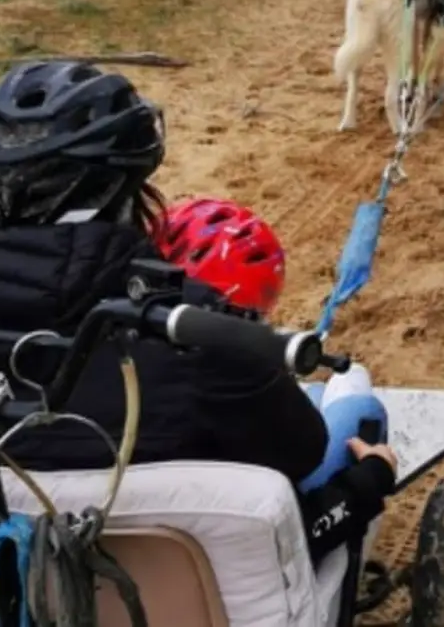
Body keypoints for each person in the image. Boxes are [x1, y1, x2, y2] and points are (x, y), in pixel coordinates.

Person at [0, 60, 396, 564]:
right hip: (193, 585)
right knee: (360, 408)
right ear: (123, 192)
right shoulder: (200, 335)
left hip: (0, 572)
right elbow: (301, 455)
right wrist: (367, 479)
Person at [154, 196, 390, 493]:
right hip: (247, 510)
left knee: (317, 392)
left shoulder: (112, 342)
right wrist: (370, 478)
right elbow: (304, 453)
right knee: (358, 394)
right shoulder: (234, 371)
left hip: (154, 505)